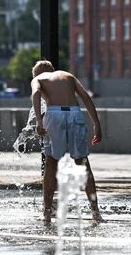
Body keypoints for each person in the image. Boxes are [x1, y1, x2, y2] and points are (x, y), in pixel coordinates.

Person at [31, 60, 103, 225]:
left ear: (36, 73)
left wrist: (39, 122)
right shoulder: (68, 76)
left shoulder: (39, 79)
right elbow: (85, 97)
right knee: (83, 163)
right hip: (74, 113)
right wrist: (96, 125)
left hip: (54, 114)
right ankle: (96, 213)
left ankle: (47, 213)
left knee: (51, 162)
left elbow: (35, 94)